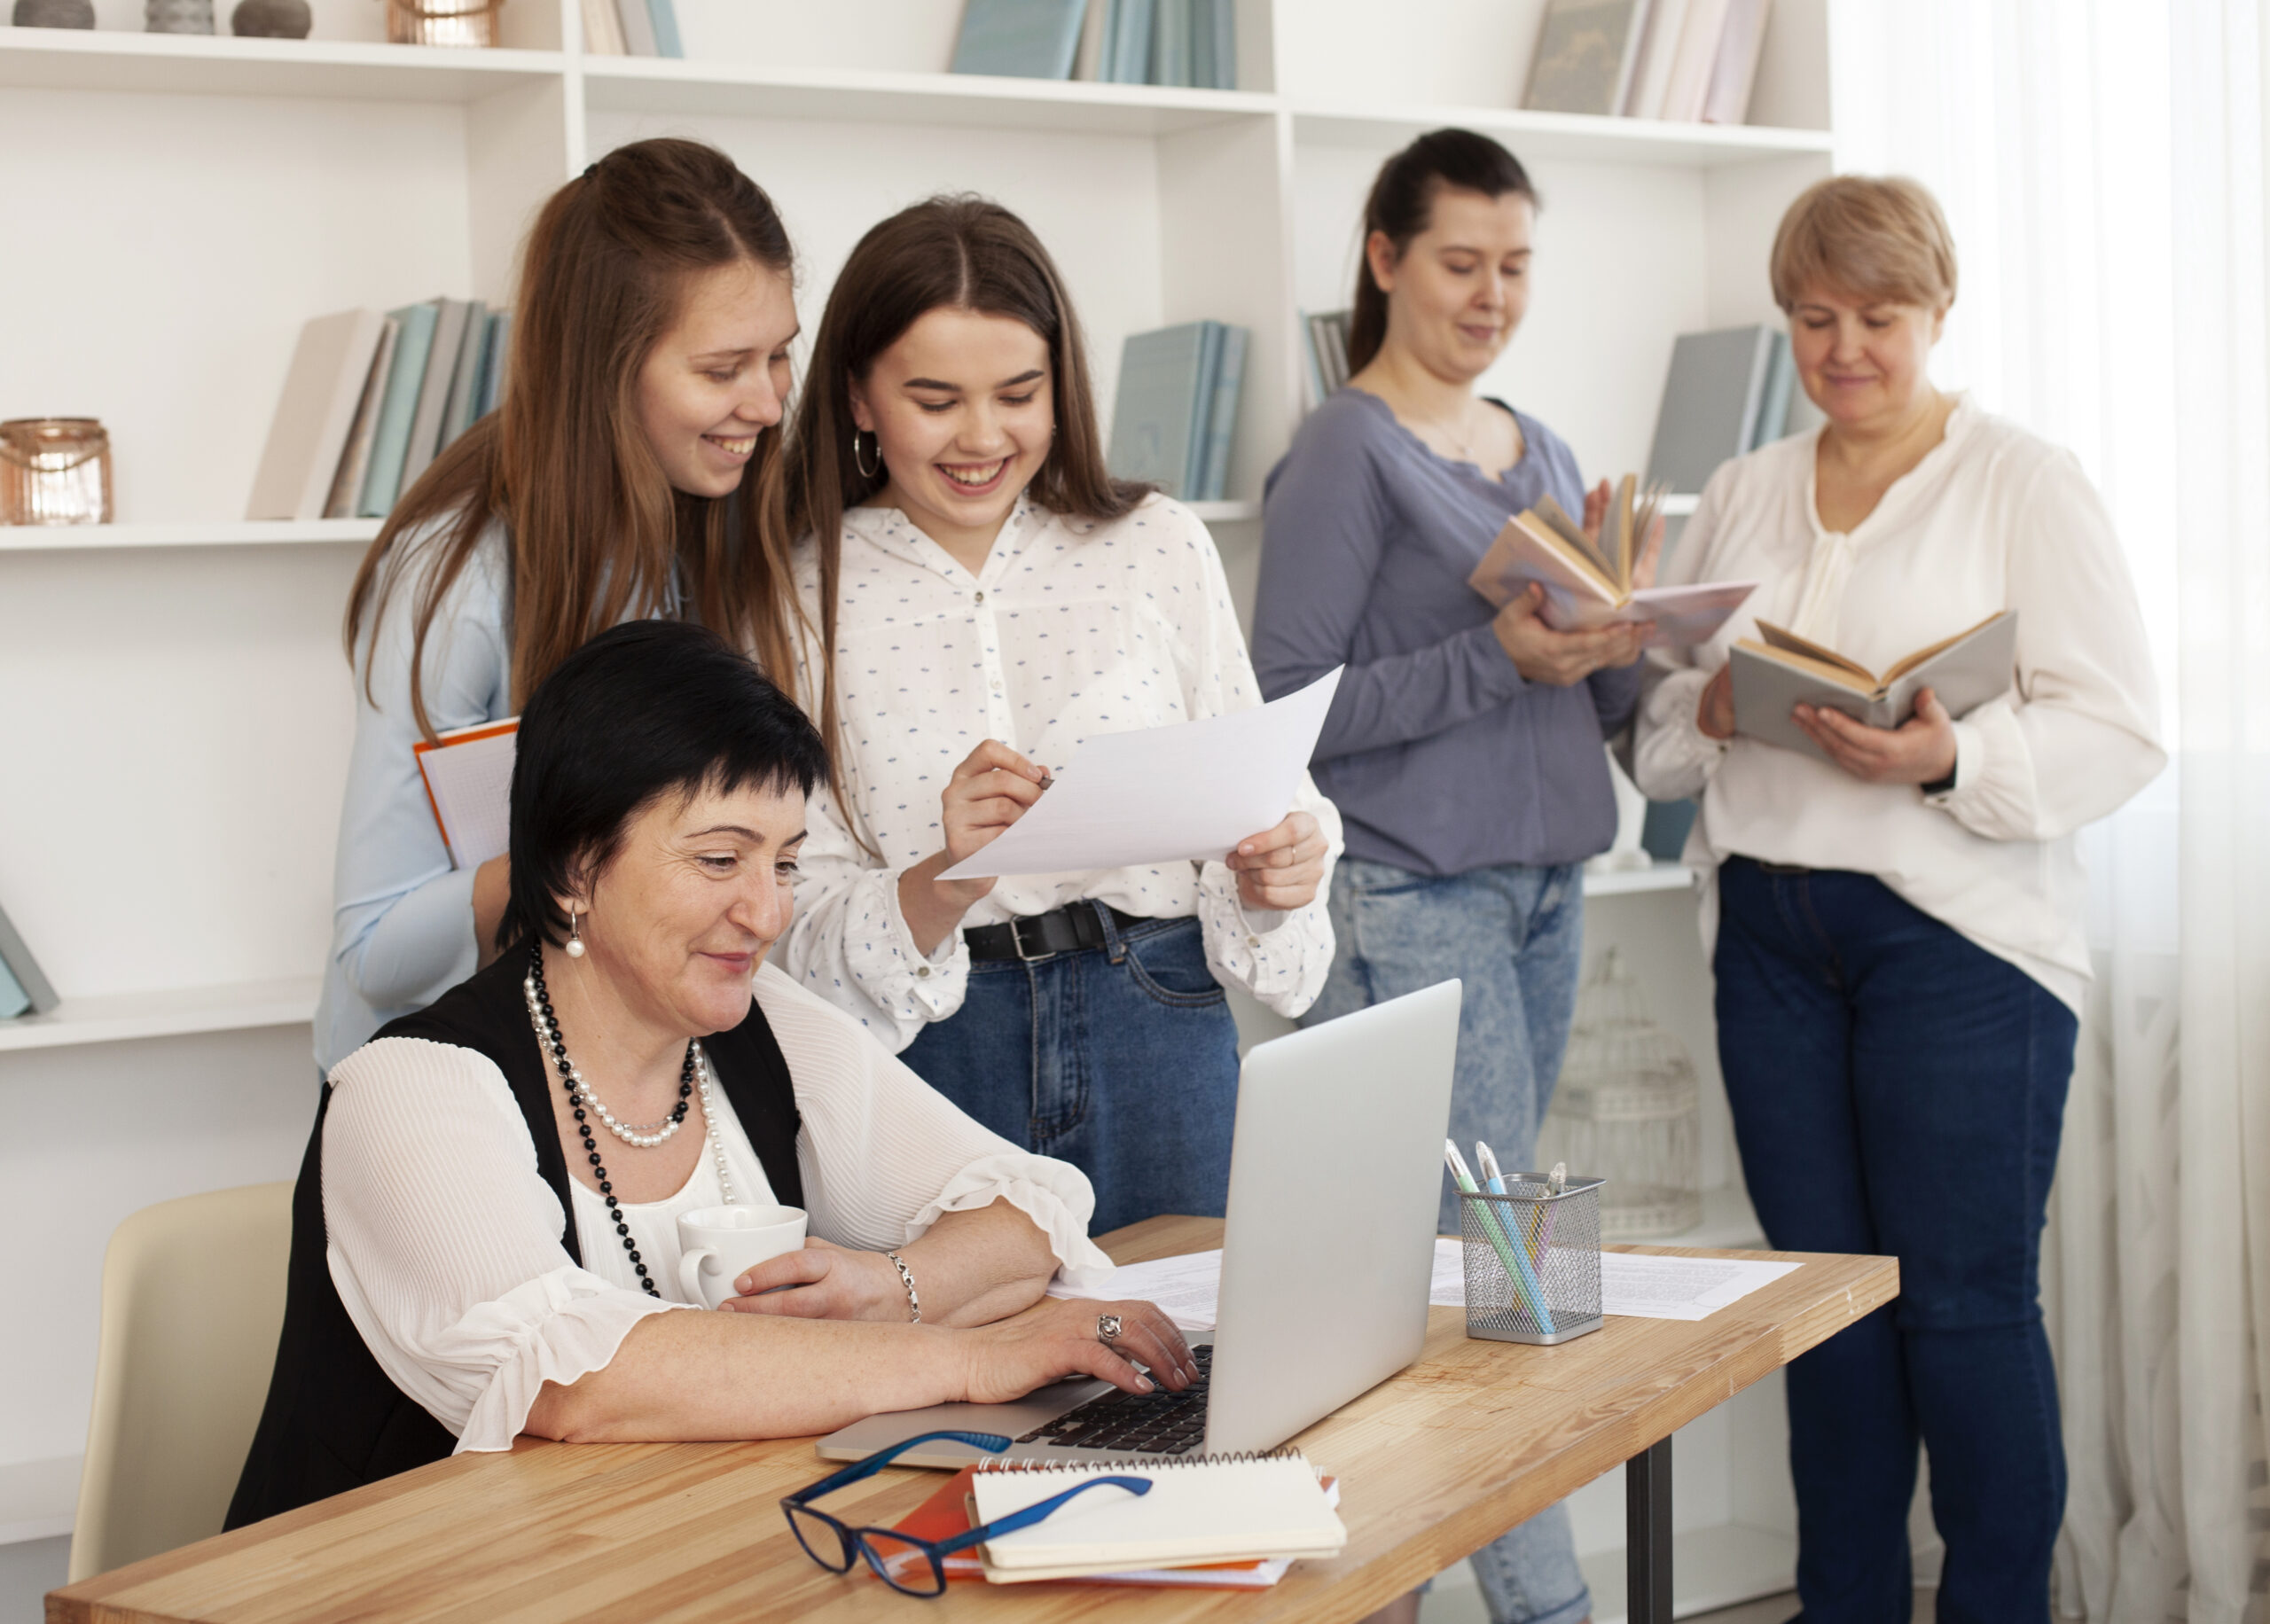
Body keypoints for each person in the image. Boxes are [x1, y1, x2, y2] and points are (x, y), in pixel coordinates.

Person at [231, 621, 1193, 1526]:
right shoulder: (410, 1087)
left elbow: (1028, 1211)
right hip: (395, 1584)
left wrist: (887, 1285)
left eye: (783, 863)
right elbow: (575, 1381)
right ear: (573, 864)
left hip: (638, 1553)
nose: (767, 912)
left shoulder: (764, 1024)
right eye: (720, 858)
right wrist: (970, 1357)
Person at [1632, 176, 2164, 1621]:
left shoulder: (2024, 480)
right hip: (1772, 943)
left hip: (1962, 946)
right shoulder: (1742, 490)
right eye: (1815, 317)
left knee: (1963, 1310)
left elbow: (2121, 729)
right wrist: (1722, 703)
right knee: (1829, 1323)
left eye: (1878, 317)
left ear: (1938, 314)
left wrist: (1948, 754)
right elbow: (1661, 730)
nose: (1844, 346)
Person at [1253, 128, 1655, 1624]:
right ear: (1385, 261)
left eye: (1516, 266)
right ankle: (1551, 1604)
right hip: (1418, 895)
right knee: (1515, 1285)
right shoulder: (1347, 450)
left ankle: (1393, 1583)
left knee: (1471, 1275)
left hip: (1546, 889)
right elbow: (1289, 709)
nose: (1492, 296)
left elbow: (1584, 698)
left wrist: (1630, 642)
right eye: (1463, 263)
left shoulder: (1538, 449)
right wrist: (1497, 658)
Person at [770, 196, 1340, 1235]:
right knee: (962, 1392)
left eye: (1018, 393)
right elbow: (786, 925)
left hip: (1159, 1018)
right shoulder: (792, 591)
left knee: (1199, 1372)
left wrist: (1280, 873)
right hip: (934, 1056)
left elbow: (1271, 803)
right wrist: (944, 878)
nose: (983, 437)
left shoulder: (1155, 544)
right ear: (858, 396)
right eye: (934, 399)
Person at [314, 137, 810, 1075]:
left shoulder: (718, 528)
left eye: (779, 355)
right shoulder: (456, 577)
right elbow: (373, 949)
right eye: (721, 369)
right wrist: (594, 864)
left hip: (621, 1074)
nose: (768, 401)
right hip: (440, 1089)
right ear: (605, 367)